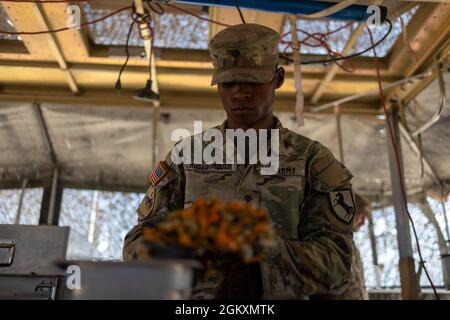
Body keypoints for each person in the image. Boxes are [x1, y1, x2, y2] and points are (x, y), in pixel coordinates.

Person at [123, 23, 356, 299]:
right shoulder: (185, 157)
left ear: (278, 78)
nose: (240, 93)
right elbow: (137, 244)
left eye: (253, 81)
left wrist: (261, 257)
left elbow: (338, 261)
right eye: (229, 83)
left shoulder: (313, 161)